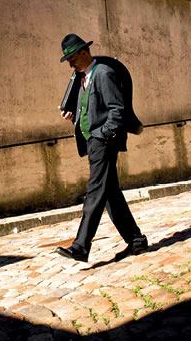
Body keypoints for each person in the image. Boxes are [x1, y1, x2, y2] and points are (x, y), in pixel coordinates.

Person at [55, 33, 148, 262]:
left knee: (95, 191)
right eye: (68, 59)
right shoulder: (84, 78)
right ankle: (136, 240)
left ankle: (81, 246)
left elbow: (117, 110)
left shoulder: (104, 74)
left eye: (72, 58)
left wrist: (104, 135)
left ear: (85, 53)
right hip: (93, 141)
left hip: (102, 142)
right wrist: (73, 114)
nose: (70, 63)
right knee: (110, 194)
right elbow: (91, 109)